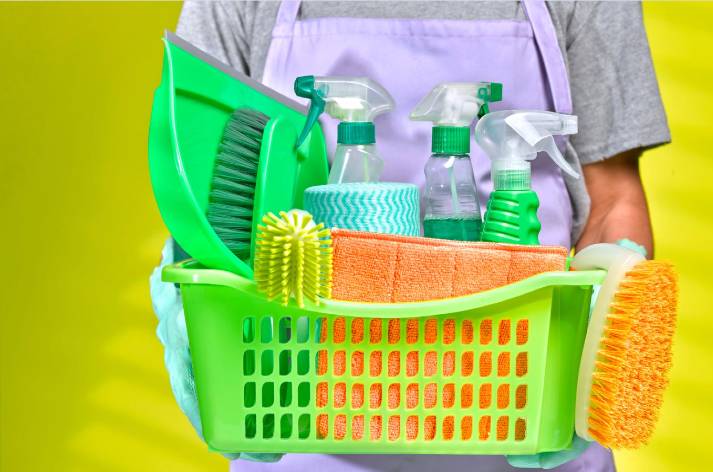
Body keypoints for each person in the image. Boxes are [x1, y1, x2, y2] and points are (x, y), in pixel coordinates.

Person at [161, 1, 670, 470]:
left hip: (524, 404)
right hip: (299, 415)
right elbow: (207, 190)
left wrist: (599, 344)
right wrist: (195, 324)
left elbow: (613, 196)